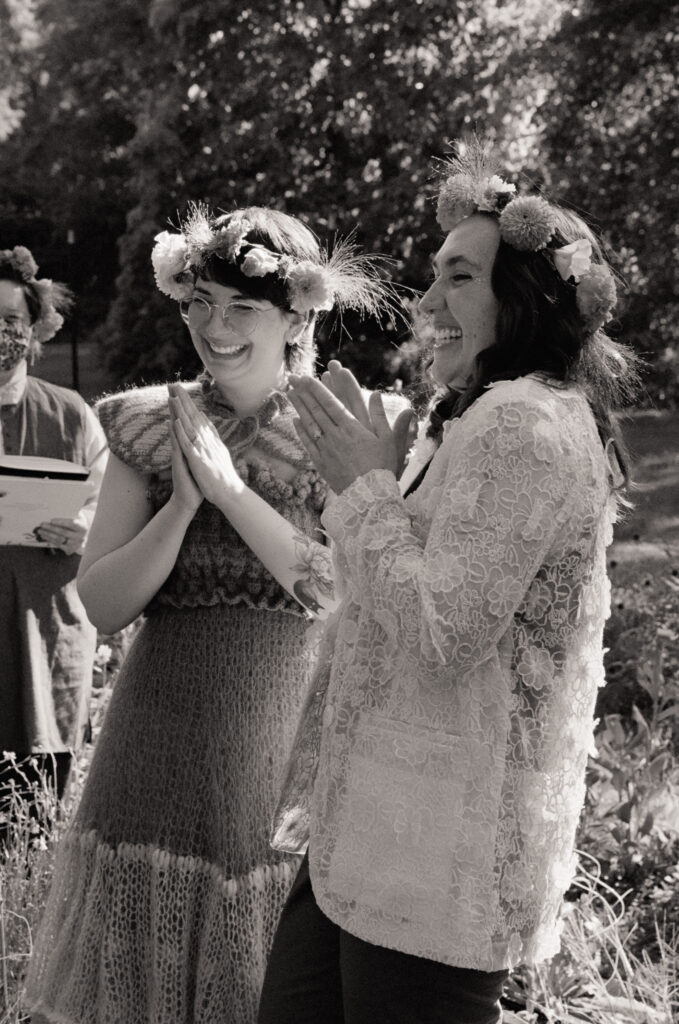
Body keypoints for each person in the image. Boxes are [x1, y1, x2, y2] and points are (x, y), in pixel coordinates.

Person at [260, 139, 638, 1024]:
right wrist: (377, 489)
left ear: (526, 299)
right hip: (370, 839)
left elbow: (440, 632)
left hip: (435, 862)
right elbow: (387, 602)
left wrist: (364, 487)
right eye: (433, 275)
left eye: (458, 277)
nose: (426, 300)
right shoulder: (475, 417)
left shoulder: (525, 425)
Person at [24, 206, 409, 1024]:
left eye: (241, 308)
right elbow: (100, 601)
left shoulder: (346, 431)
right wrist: (180, 506)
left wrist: (230, 495)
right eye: (198, 301)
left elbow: (330, 590)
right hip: (151, 733)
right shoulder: (141, 420)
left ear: (296, 315)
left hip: (278, 736)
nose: (213, 326)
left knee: (260, 978)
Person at [0, 246, 107, 850]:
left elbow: (112, 510)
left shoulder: (72, 416)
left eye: (9, 322)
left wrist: (88, 531)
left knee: (32, 814)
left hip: (47, 631)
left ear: (32, 330)